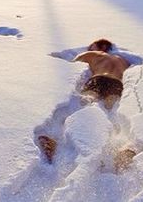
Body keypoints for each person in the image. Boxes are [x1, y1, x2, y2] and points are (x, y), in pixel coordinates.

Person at [37, 38, 136, 170]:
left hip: (98, 80)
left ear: (97, 46)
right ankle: (122, 148)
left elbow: (75, 61)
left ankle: (56, 141)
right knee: (111, 113)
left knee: (82, 105)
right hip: (116, 84)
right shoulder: (122, 60)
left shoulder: (95, 54)